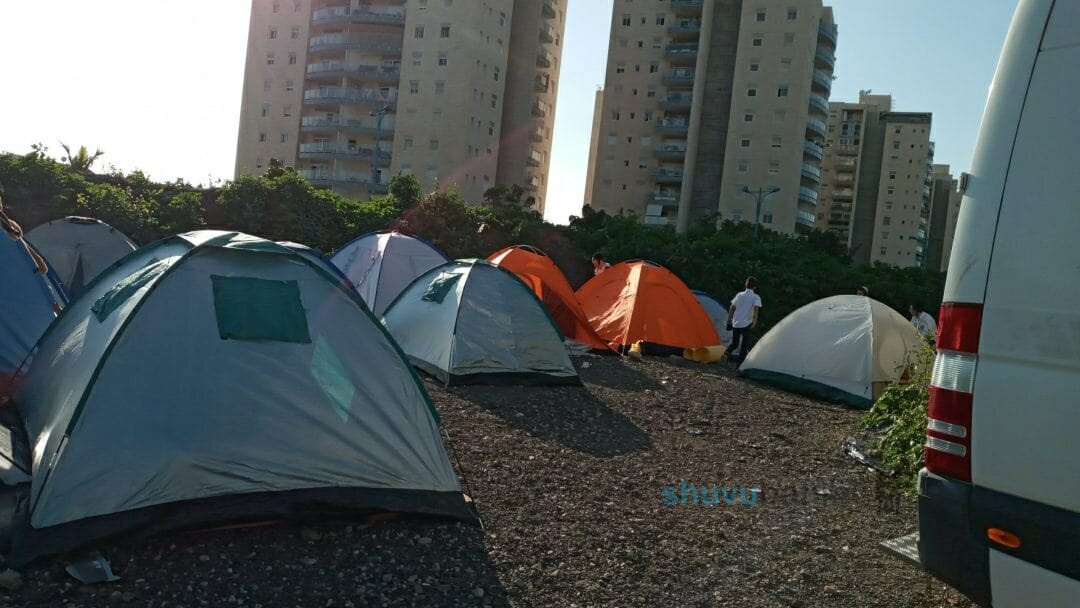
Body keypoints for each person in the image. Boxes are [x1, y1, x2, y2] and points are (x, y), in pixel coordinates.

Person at [725, 277, 762, 365]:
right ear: (755, 287)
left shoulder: (739, 295)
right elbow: (756, 310)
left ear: (746, 284)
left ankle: (725, 355)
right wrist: (755, 321)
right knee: (744, 344)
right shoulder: (755, 297)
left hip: (736, 322)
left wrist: (729, 319)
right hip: (746, 323)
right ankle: (740, 363)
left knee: (735, 343)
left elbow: (732, 308)